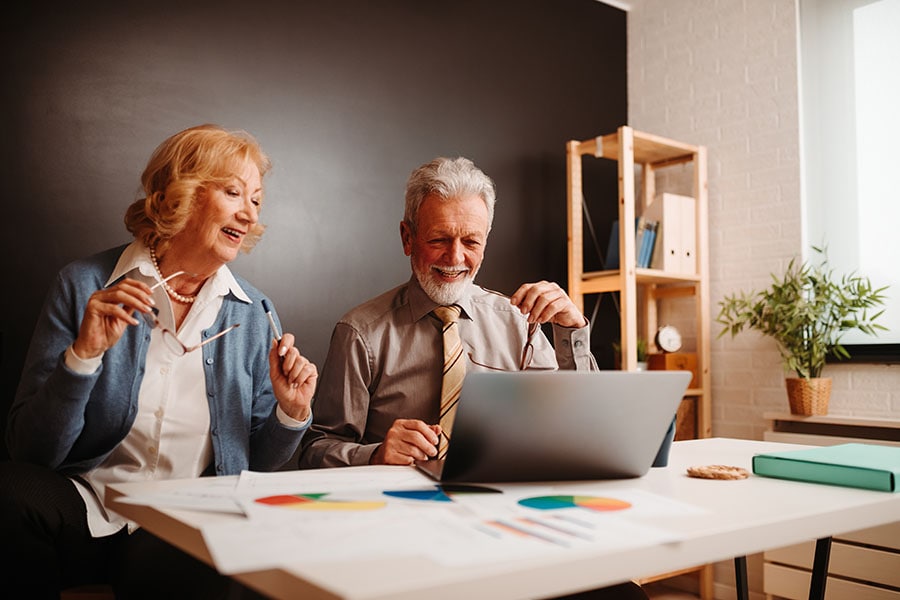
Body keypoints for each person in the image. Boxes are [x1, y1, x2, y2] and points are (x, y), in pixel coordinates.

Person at [299, 156, 646, 600]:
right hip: (405, 534)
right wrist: (374, 454)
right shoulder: (360, 331)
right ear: (407, 237)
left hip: (513, 522)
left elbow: (584, 428)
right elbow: (315, 450)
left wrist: (572, 332)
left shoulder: (522, 321)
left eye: (471, 241)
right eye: (439, 239)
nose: (456, 258)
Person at [1, 124, 317, 599]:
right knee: (8, 492)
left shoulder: (255, 314)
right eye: (234, 193)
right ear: (181, 194)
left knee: (187, 560)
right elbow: (30, 451)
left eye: (256, 200)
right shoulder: (84, 284)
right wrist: (83, 356)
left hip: (184, 518)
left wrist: (290, 412)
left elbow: (259, 465)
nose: (249, 214)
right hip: (89, 506)